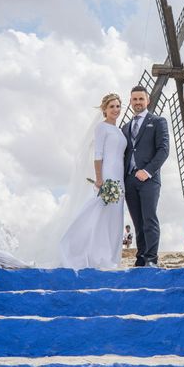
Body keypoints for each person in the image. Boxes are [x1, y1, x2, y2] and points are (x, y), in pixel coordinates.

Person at [59, 93, 127, 269]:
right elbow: (98, 154)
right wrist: (99, 178)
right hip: (107, 175)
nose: (115, 109)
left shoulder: (119, 131)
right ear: (104, 109)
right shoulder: (101, 128)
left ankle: (111, 257)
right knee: (99, 214)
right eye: (111, 106)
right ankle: (94, 254)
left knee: (114, 216)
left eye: (118, 106)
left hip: (120, 177)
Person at [122, 85, 169, 267]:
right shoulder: (126, 127)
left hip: (149, 179)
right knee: (137, 220)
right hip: (130, 179)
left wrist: (147, 171)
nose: (138, 102)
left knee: (149, 218)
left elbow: (163, 150)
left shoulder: (158, 122)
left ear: (147, 100)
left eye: (141, 99)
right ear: (131, 101)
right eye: (135, 99)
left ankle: (151, 258)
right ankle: (140, 257)